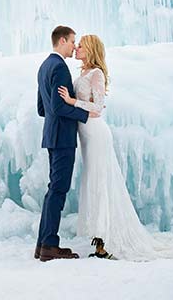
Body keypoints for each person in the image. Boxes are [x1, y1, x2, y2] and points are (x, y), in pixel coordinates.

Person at [58, 34, 173, 261]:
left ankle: (104, 241)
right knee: (93, 181)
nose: (76, 48)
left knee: (101, 181)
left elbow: (98, 107)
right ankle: (99, 236)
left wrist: (71, 101)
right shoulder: (83, 73)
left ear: (91, 49)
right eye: (76, 45)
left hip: (96, 133)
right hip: (86, 135)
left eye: (81, 46)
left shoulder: (96, 73)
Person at [34, 25, 97, 262]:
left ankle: (42, 244)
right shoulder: (60, 67)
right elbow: (59, 107)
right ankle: (50, 245)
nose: (74, 46)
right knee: (58, 190)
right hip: (62, 138)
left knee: (53, 189)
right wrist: (84, 114)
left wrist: (61, 110)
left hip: (52, 135)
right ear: (62, 41)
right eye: (72, 41)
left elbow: (43, 109)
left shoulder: (44, 66)